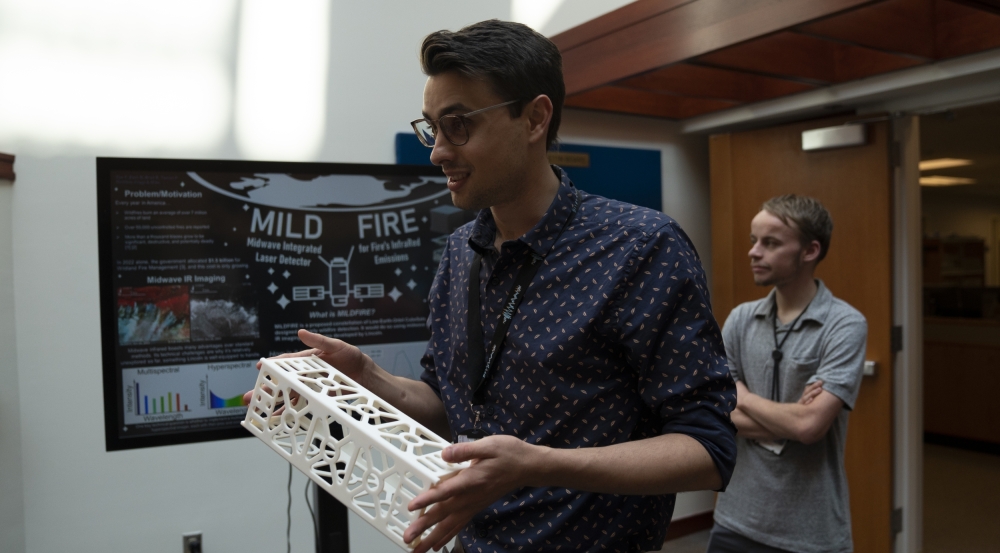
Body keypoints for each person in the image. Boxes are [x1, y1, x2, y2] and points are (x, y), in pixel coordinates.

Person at [250, 20, 737, 553]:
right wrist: (367, 378)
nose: (437, 151)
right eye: (431, 127)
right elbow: (448, 403)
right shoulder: (462, 253)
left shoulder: (642, 247)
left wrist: (537, 465)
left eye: (458, 125)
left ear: (534, 118)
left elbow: (708, 449)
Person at [707, 195, 868, 553]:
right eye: (753, 241)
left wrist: (743, 396)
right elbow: (717, 412)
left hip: (810, 532)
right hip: (736, 517)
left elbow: (810, 427)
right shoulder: (740, 319)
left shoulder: (845, 324)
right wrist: (794, 416)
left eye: (771, 243)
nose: (754, 252)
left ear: (810, 251)